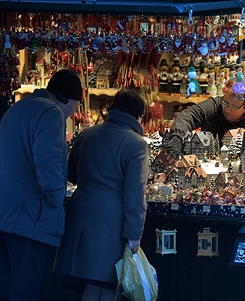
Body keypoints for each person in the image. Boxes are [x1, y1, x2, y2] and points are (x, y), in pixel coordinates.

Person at [54, 89, 149, 301]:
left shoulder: (87, 134)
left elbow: (71, 174)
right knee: (108, 286)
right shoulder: (136, 144)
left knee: (90, 284)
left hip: (79, 214)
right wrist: (134, 234)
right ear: (138, 115)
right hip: (111, 222)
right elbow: (134, 194)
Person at [0, 69, 83, 301]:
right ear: (68, 98)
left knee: (8, 287)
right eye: (76, 105)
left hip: (7, 213)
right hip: (29, 217)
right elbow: (47, 163)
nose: (72, 113)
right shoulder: (51, 113)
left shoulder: (19, 108)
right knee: (25, 290)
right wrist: (57, 199)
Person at [167, 80, 245, 160]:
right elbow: (188, 115)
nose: (227, 109)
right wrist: (177, 138)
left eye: (233, 107)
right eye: (225, 103)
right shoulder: (214, 106)